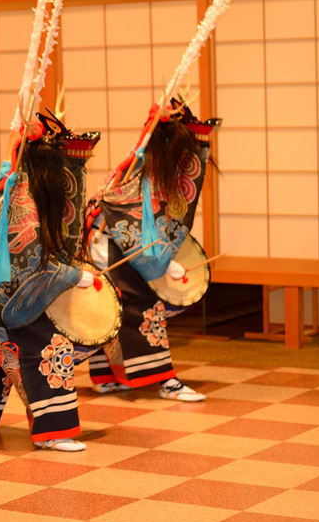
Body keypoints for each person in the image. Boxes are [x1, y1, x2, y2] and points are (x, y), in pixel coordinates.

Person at [0, 113, 100, 452]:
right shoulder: (21, 201)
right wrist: (71, 275)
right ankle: (52, 431)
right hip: (0, 295)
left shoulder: (23, 187)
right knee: (49, 344)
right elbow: (28, 268)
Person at [84, 101, 220, 401]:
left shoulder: (148, 166)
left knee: (117, 305)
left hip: (116, 240)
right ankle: (166, 381)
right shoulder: (140, 169)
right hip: (109, 240)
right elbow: (129, 222)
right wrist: (160, 262)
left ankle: (106, 376)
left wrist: (165, 257)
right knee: (141, 304)